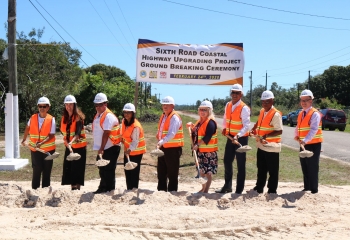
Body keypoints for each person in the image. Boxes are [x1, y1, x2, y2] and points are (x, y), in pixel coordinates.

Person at [216, 84, 250, 194]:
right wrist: (225, 128)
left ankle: (239, 190)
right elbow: (226, 118)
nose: (234, 95)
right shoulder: (228, 105)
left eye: (237, 93)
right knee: (227, 161)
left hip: (241, 139)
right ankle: (228, 186)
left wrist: (237, 136)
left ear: (241, 94)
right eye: (233, 92)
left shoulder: (244, 108)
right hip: (230, 137)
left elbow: (246, 126)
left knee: (240, 164)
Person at [250, 91, 283, 194]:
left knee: (273, 170)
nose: (265, 104)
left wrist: (266, 135)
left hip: (271, 146)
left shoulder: (276, 114)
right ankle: (259, 187)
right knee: (261, 168)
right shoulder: (262, 111)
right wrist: (254, 129)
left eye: (267, 102)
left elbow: (279, 130)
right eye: (263, 102)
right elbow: (258, 122)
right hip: (261, 145)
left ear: (272, 101)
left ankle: (272, 190)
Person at [21, 97, 56, 189]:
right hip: (35, 149)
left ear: (48, 107)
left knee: (47, 170)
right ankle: (35, 189)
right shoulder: (33, 117)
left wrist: (41, 143)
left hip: (48, 150)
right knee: (36, 169)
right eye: (40, 106)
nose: (42, 108)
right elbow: (27, 128)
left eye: (44, 106)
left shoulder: (51, 119)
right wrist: (24, 139)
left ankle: (45, 189)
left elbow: (51, 135)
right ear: (38, 107)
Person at [294, 89, 323, 194]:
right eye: (302, 100)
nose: (303, 102)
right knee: (304, 165)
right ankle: (307, 187)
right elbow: (298, 126)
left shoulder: (315, 113)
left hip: (313, 144)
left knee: (312, 166)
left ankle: (314, 189)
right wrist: (297, 135)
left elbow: (313, 130)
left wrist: (305, 140)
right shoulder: (301, 113)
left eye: (306, 100)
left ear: (311, 101)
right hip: (304, 144)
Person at [92, 93, 121, 194]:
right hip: (105, 146)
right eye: (96, 105)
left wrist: (102, 148)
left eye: (100, 105)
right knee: (101, 167)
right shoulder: (99, 115)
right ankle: (103, 187)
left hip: (111, 146)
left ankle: (109, 189)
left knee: (108, 168)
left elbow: (106, 133)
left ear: (105, 104)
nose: (98, 107)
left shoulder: (108, 116)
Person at [187, 100, 218, 193]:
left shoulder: (211, 122)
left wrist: (197, 144)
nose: (202, 111)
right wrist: (191, 126)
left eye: (205, 110)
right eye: (201, 109)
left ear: (209, 111)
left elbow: (207, 136)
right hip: (200, 152)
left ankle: (206, 191)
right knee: (201, 172)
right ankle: (203, 188)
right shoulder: (200, 121)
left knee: (208, 173)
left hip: (209, 152)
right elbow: (196, 131)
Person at [156, 96, 184, 192]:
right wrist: (159, 138)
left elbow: (171, 134)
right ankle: (161, 190)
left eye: (167, 105)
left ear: (172, 106)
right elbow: (161, 130)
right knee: (161, 172)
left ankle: (172, 191)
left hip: (173, 149)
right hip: (163, 147)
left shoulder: (174, 117)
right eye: (163, 104)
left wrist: (161, 141)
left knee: (172, 173)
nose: (165, 106)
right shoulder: (163, 116)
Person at [60, 95, 87, 191]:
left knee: (78, 169)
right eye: (66, 104)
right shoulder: (64, 118)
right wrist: (67, 141)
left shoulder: (78, 117)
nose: (68, 106)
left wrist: (71, 141)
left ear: (74, 105)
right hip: (69, 147)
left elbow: (78, 132)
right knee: (69, 168)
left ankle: (77, 189)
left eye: (70, 104)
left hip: (79, 146)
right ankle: (73, 188)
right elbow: (64, 132)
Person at [121, 103, 146, 190]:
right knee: (127, 170)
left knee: (134, 172)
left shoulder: (136, 126)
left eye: (129, 112)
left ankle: (134, 189)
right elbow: (124, 134)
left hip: (136, 152)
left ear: (133, 113)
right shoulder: (124, 122)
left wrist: (129, 150)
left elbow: (135, 141)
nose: (126, 114)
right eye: (125, 112)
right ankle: (129, 189)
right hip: (128, 150)